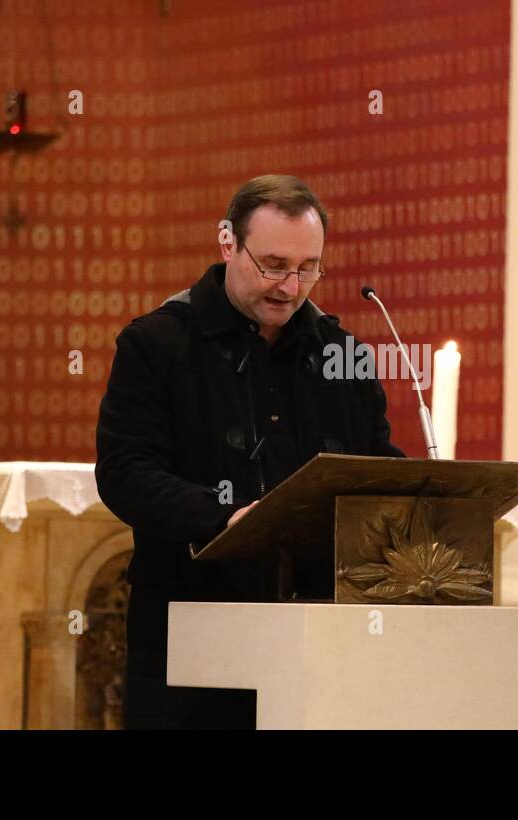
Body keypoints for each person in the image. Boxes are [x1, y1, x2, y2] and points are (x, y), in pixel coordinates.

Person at [95, 174, 405, 729]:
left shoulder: (344, 355)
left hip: (320, 641)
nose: (289, 286)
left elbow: (373, 467)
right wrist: (225, 518)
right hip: (190, 631)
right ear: (227, 244)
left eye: (308, 267)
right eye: (272, 264)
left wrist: (425, 495)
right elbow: (125, 473)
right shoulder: (158, 345)